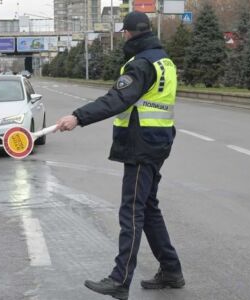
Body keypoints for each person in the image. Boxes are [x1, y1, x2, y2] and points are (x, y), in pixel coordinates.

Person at [55, 11, 185, 300]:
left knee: (132, 212)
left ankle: (120, 279)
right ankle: (171, 270)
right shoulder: (164, 60)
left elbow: (117, 99)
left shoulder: (140, 64)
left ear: (129, 33)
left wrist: (78, 117)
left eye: (124, 32)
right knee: (148, 207)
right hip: (159, 140)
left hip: (141, 145)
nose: (123, 36)